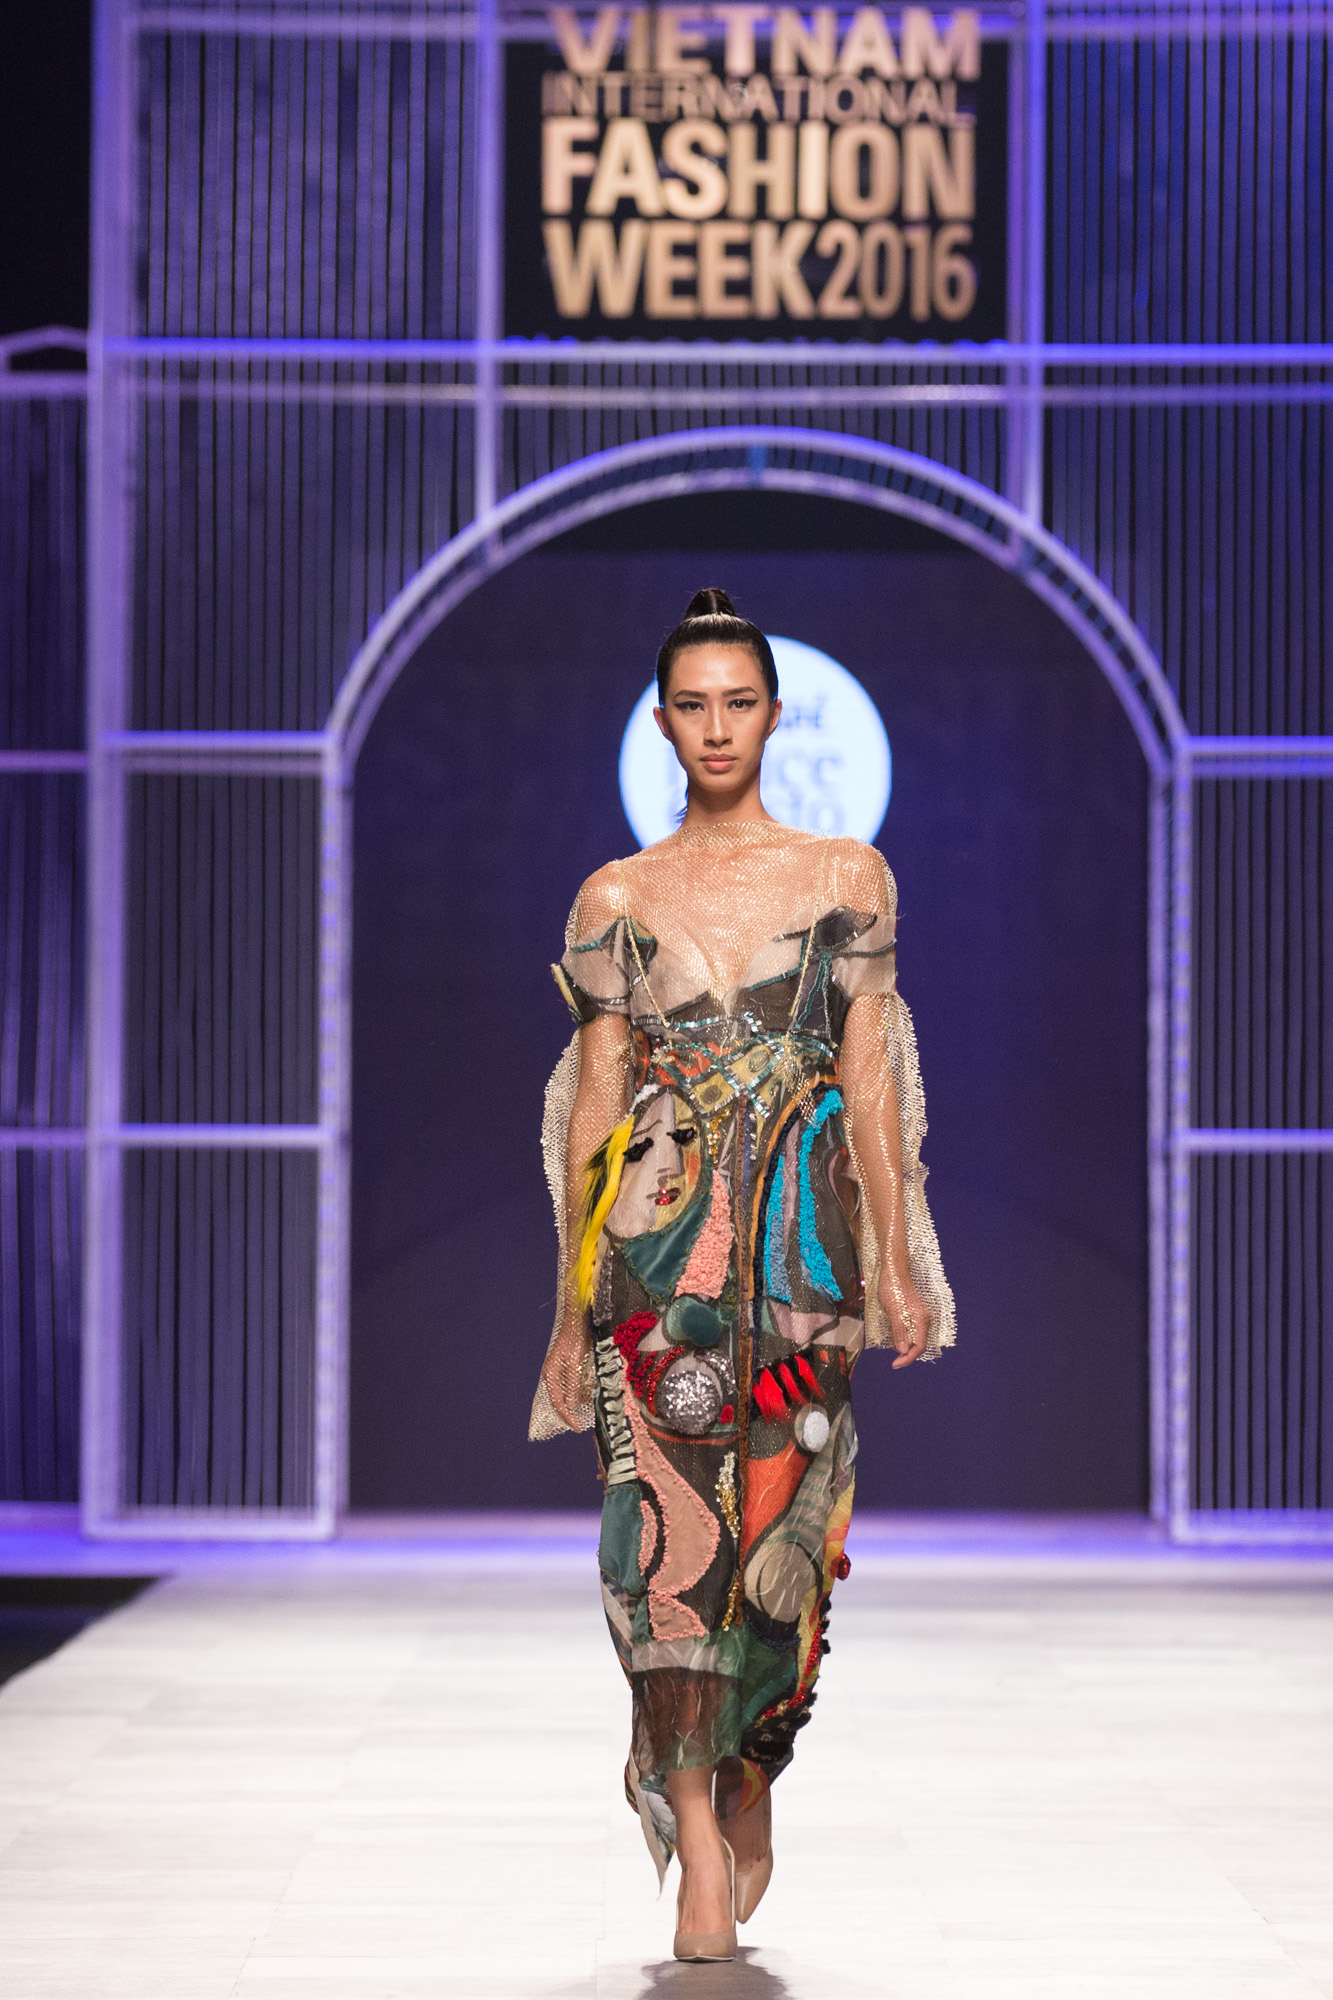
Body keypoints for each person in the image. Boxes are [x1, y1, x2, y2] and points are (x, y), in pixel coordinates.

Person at [531, 587, 955, 1962]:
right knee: (657, 1545)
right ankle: (698, 1845)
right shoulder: (617, 896)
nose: (716, 727)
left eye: (739, 702)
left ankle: (749, 1768)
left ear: (774, 715)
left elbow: (869, 1084)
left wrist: (897, 1263)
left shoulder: (846, 876)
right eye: (692, 705)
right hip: (655, 1263)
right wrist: (568, 1309)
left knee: (787, 1541)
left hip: (802, 1261)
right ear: (662, 725)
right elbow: (596, 1113)